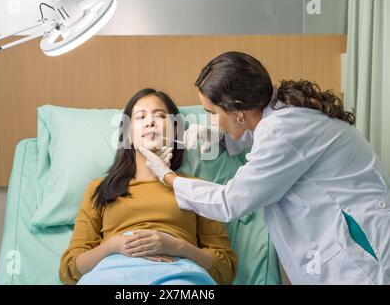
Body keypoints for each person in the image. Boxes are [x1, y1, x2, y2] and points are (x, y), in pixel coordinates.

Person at [139, 51, 390, 285]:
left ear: (238, 110)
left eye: (212, 113)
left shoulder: (281, 129)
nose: (210, 120)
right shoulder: (282, 115)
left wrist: (168, 176)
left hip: (360, 252)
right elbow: (264, 140)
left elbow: (231, 202)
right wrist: (220, 135)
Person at [59, 88, 237, 285]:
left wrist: (178, 246)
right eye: (140, 117)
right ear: (128, 135)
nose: (150, 122)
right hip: (111, 274)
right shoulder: (99, 189)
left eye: (160, 116)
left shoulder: (195, 188)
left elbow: (225, 268)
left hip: (178, 276)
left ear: (176, 130)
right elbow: (70, 269)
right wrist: (112, 247)